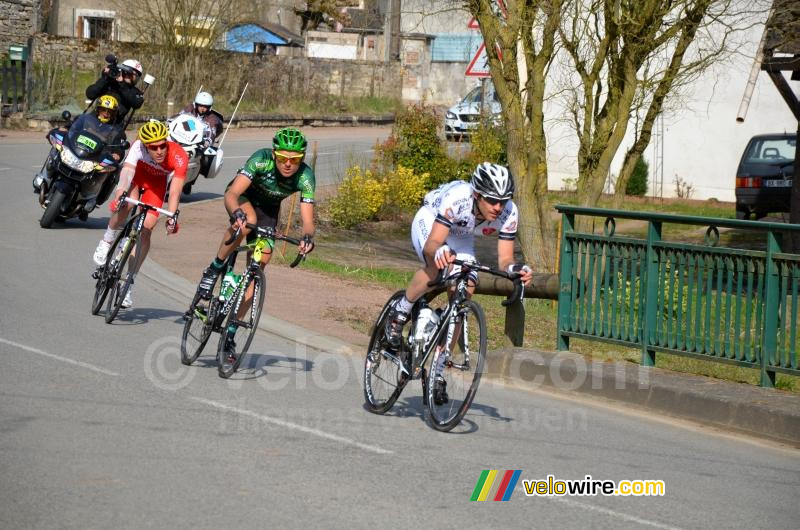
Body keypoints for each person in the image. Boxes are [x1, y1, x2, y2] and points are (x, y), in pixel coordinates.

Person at [383, 162, 534, 404]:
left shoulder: (509, 212)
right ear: (477, 194)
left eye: (503, 201)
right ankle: (400, 311)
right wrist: (440, 250)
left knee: (466, 289)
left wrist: (516, 269)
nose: (498, 207)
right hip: (432, 223)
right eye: (492, 200)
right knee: (438, 266)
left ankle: (438, 370)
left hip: (461, 237)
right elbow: (433, 243)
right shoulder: (458, 199)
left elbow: (505, 258)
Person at [194, 127, 316, 356]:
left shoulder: (306, 176)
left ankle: (230, 331)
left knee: (259, 267)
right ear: (274, 154)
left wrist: (308, 236)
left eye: (294, 160)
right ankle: (214, 268)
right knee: (246, 220)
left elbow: (308, 219)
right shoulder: (261, 159)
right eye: (282, 158)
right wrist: (235, 212)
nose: (287, 164)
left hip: (268, 211)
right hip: (243, 197)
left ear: (302, 158)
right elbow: (232, 194)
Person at [92, 121, 188, 308]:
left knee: (147, 228)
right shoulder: (138, 146)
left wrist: (172, 215)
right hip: (138, 177)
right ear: (145, 146)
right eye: (154, 147)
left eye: (162, 146)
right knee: (126, 205)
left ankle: (128, 282)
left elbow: (175, 191)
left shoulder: (178, 155)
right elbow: (127, 171)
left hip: (157, 185)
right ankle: (107, 240)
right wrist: (120, 191)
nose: (160, 151)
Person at [33, 95, 125, 195]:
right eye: (103, 110)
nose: (106, 114)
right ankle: (45, 177)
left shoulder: (117, 130)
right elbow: (73, 125)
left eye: (110, 112)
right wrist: (65, 128)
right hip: (76, 149)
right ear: (98, 109)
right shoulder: (85, 118)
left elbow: (120, 146)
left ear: (114, 114)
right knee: (58, 142)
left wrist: (117, 153)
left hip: (94, 158)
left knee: (112, 169)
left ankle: (92, 195)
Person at [177, 91, 224, 178]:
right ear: (196, 104)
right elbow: (179, 116)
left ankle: (192, 177)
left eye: (205, 107)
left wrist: (207, 142)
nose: (202, 108)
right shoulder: (190, 108)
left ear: (209, 107)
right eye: (200, 105)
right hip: (183, 135)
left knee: (200, 156)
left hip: (200, 140)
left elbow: (212, 132)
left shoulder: (212, 118)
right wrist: (169, 121)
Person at [85, 58, 144, 126]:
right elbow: (90, 94)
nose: (133, 78)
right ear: (124, 71)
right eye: (131, 74)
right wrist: (105, 78)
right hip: (93, 122)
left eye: (136, 76)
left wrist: (122, 84)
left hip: (113, 129)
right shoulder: (109, 83)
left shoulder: (134, 92)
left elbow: (137, 103)